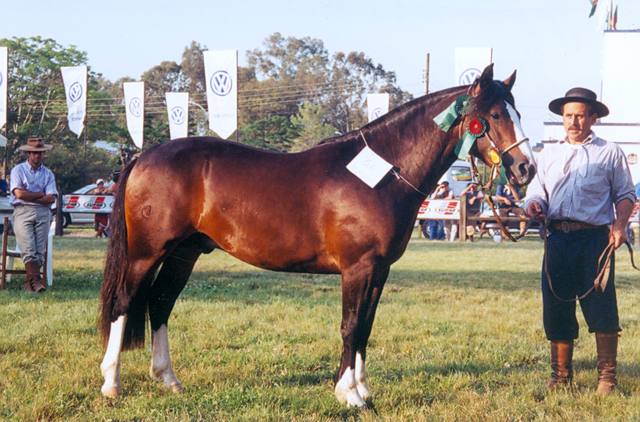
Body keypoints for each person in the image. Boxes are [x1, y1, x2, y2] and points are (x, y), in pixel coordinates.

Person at [524, 88, 636, 395]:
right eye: (568, 115)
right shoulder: (548, 154)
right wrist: (534, 204)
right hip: (557, 238)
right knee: (557, 304)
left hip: (594, 240)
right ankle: (561, 376)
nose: (573, 121)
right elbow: (535, 192)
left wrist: (619, 225)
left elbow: (626, 195)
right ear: (562, 117)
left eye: (580, 115)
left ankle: (607, 379)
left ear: (593, 118)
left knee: (601, 306)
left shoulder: (610, 152)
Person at [10, 137, 57, 293]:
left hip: (43, 212)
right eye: (34, 153)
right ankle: (36, 282)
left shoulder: (48, 173)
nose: (37, 156)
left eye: (40, 153)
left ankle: (29, 284)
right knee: (28, 246)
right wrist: (39, 194)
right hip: (23, 211)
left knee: (39, 250)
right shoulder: (18, 170)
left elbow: (51, 197)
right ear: (28, 154)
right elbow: (18, 194)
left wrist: (29, 194)